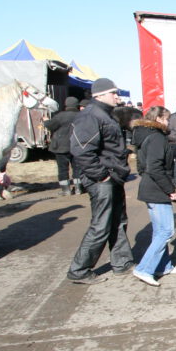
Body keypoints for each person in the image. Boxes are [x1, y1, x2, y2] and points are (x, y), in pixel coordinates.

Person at [66, 78, 135, 285]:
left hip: (112, 176)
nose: (117, 96)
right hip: (102, 179)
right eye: (113, 92)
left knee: (118, 221)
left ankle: (122, 262)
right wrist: (101, 175)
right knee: (101, 224)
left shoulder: (104, 114)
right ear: (99, 95)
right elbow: (81, 150)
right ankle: (79, 269)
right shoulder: (90, 116)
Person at [129, 107, 176, 286]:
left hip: (151, 187)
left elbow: (143, 166)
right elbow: (155, 167)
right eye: (166, 119)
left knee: (160, 231)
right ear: (159, 119)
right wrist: (169, 189)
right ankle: (144, 268)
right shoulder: (157, 138)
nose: (168, 123)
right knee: (166, 231)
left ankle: (163, 265)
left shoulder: (145, 135)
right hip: (157, 189)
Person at [44, 96, 82, 196]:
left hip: (61, 147)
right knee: (77, 168)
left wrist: (45, 121)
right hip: (77, 146)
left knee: (63, 169)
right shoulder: (81, 116)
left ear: (66, 105)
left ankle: (66, 190)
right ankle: (78, 189)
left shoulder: (60, 116)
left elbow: (50, 126)